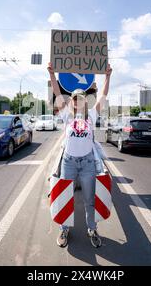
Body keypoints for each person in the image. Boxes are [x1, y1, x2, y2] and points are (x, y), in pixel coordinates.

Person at [48, 62, 112, 248]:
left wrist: (108, 76)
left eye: (81, 98)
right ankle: (64, 229)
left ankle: (91, 228)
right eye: (75, 98)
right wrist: (52, 73)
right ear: (72, 101)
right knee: (64, 197)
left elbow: (104, 95)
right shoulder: (66, 116)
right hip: (69, 162)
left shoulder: (92, 115)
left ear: (85, 101)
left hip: (87, 164)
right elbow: (58, 93)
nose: (77, 101)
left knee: (89, 200)